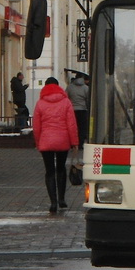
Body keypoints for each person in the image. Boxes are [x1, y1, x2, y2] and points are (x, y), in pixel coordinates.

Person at [32, 77, 79, 213]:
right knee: (61, 169)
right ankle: (62, 199)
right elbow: (71, 124)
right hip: (62, 141)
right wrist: (74, 142)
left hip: (46, 141)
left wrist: (38, 142)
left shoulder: (40, 103)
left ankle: (53, 202)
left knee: (49, 172)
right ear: (58, 87)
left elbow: (36, 127)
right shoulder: (66, 102)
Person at [66, 73, 90, 147]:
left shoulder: (69, 87)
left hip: (72, 110)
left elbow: (66, 98)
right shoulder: (86, 88)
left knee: (72, 127)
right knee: (82, 128)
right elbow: (88, 99)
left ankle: (72, 144)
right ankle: (80, 144)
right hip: (83, 110)